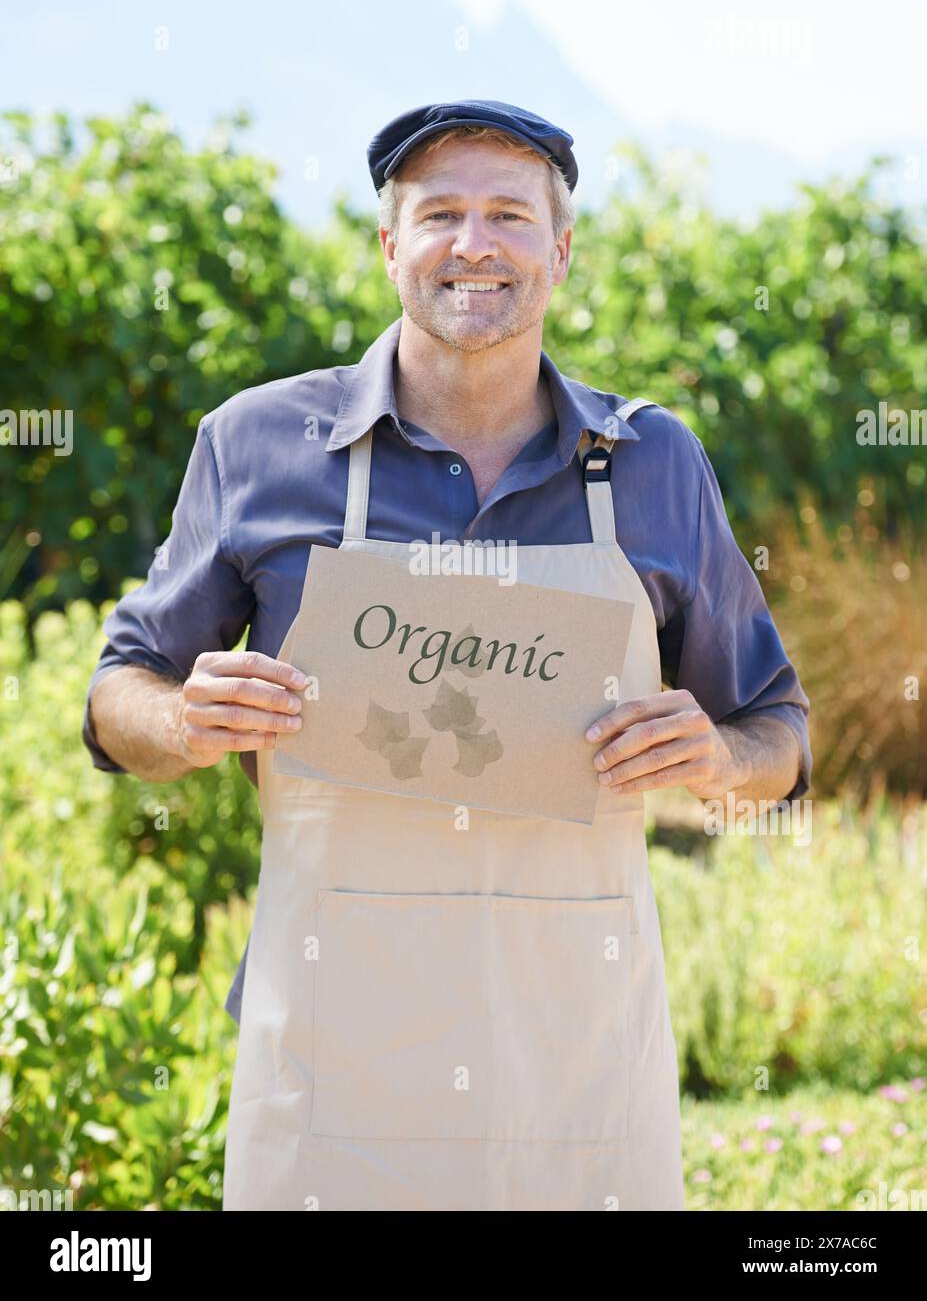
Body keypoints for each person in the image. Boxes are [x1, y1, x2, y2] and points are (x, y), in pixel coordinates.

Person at [83, 99, 811, 1211]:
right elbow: (114, 695)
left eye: (510, 216)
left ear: (560, 252)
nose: (475, 243)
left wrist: (717, 757)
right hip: (335, 1075)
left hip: (578, 1079)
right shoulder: (256, 443)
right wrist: (181, 720)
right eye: (441, 214)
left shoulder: (655, 461)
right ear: (390, 244)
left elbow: (780, 733)